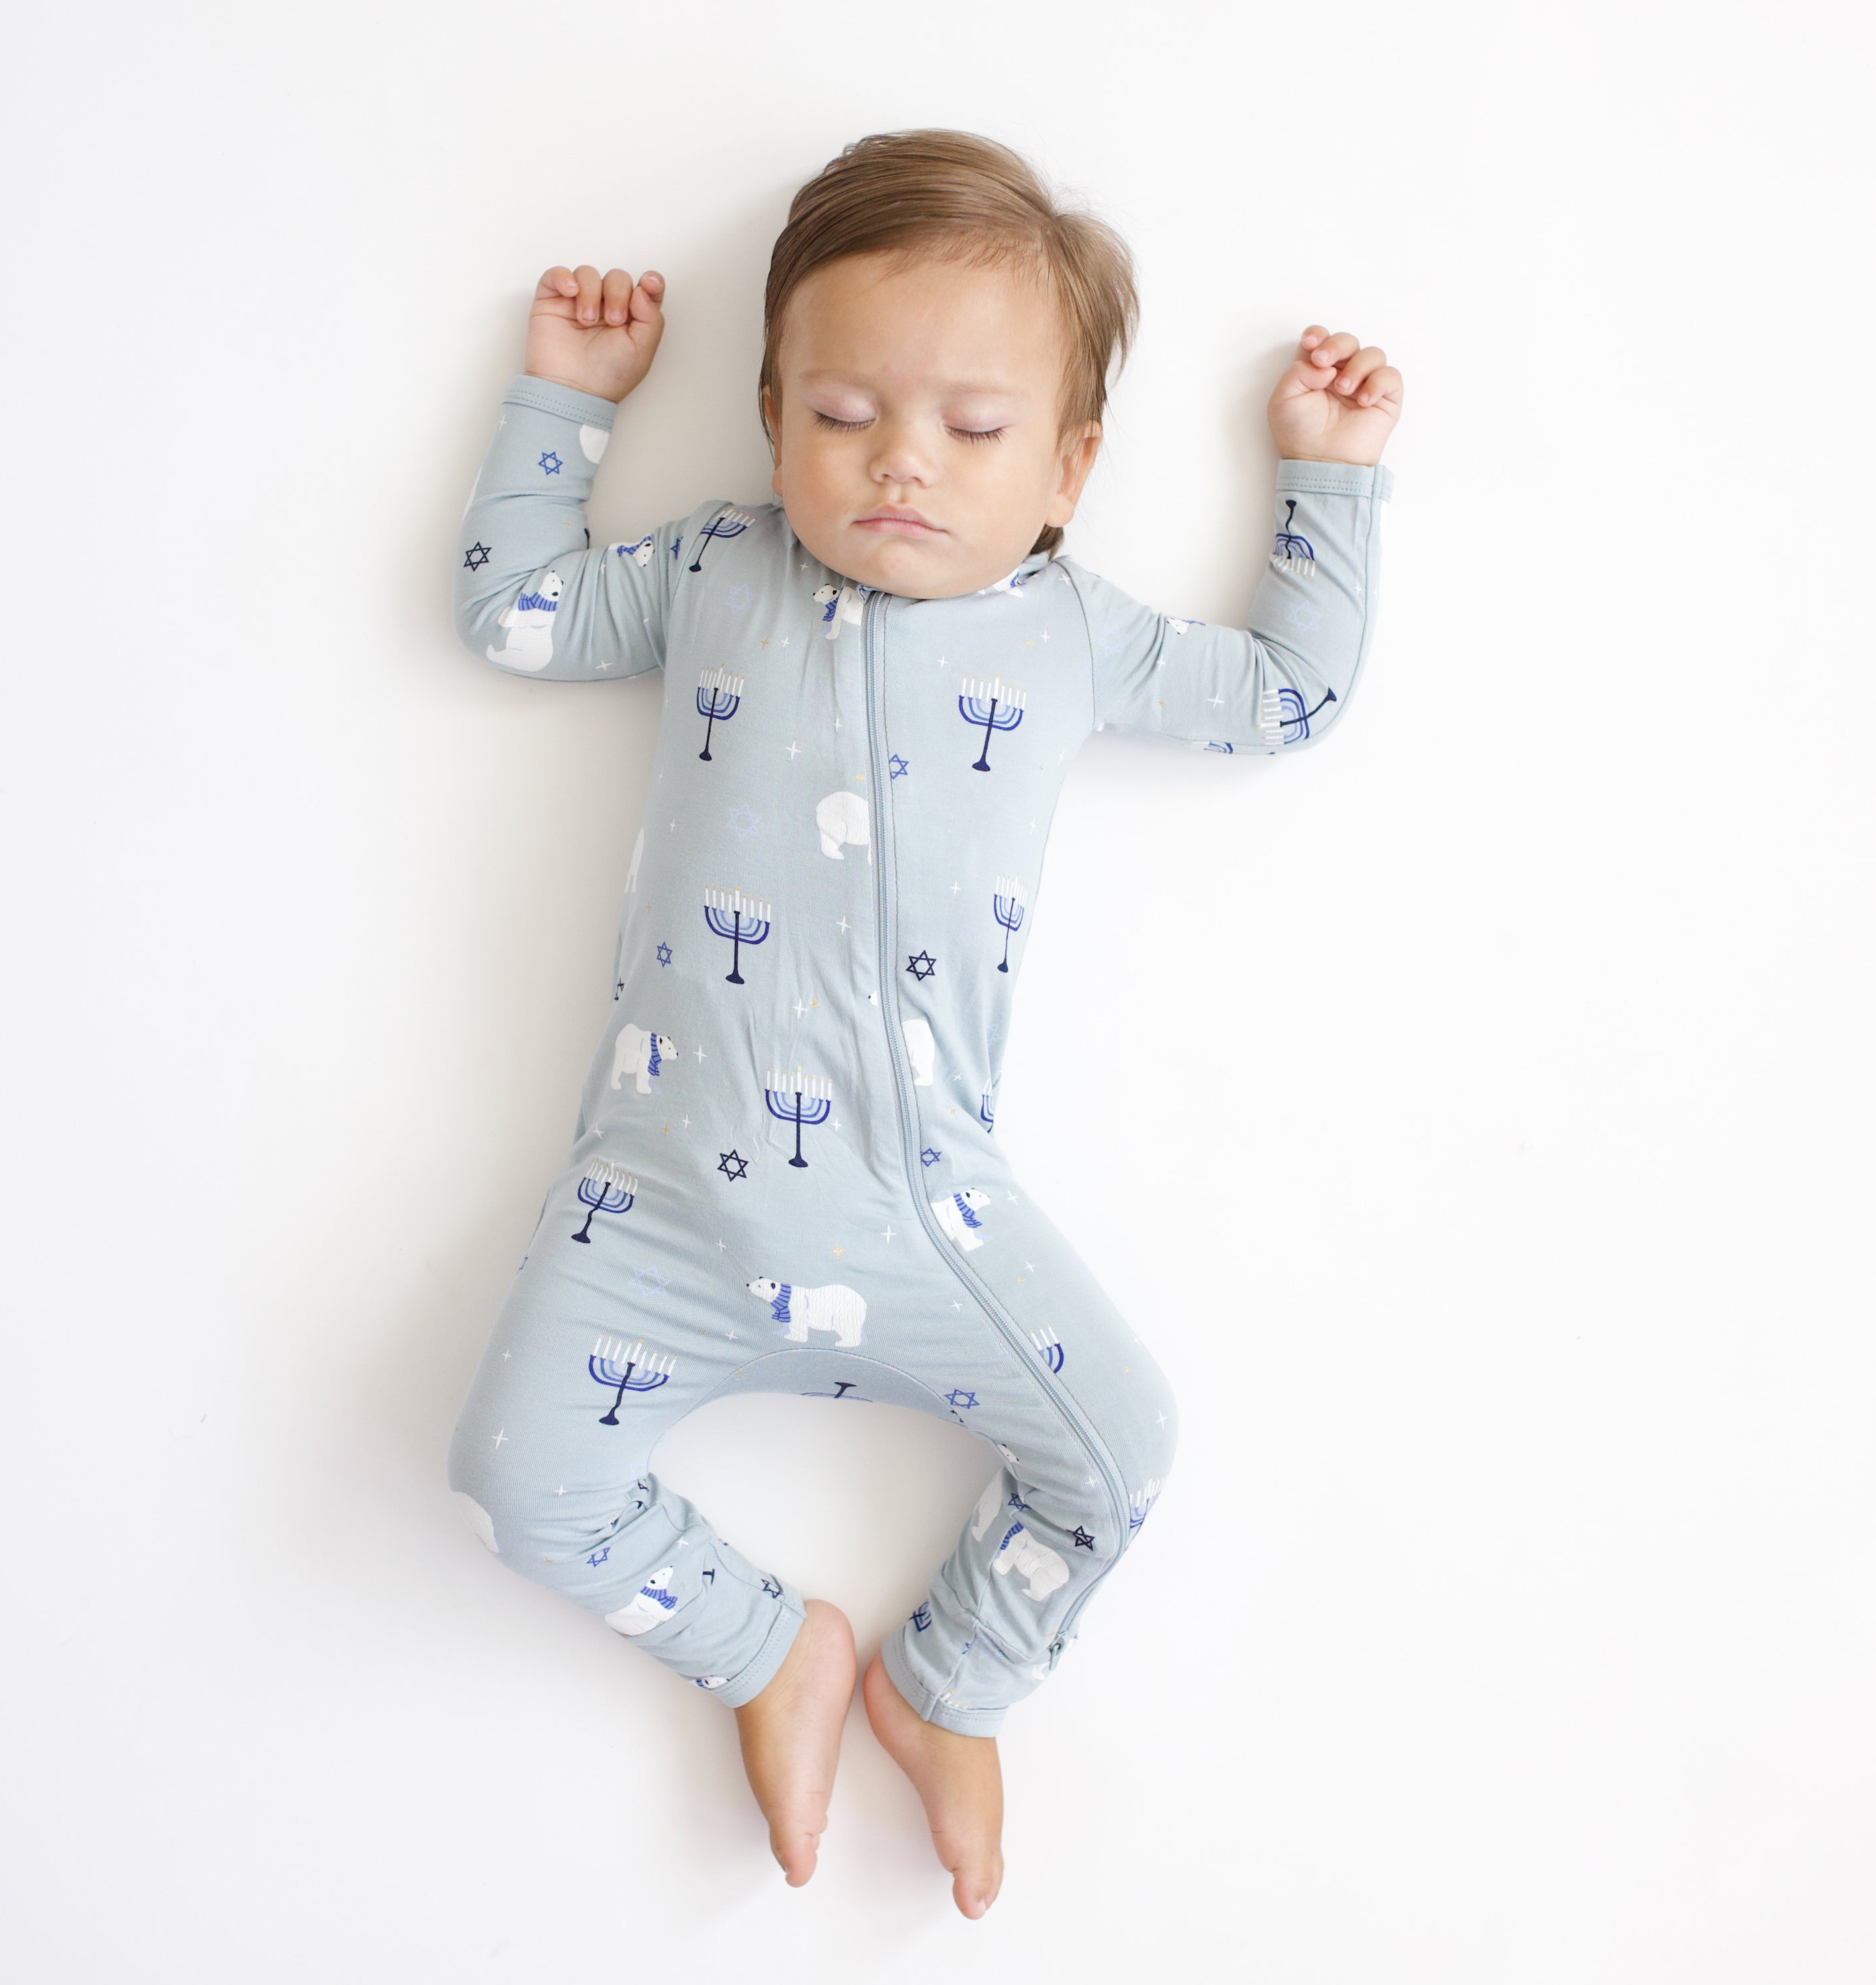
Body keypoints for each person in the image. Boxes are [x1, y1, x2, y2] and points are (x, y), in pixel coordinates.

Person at [446, 127, 1401, 1919]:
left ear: (1069, 466)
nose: (901, 460)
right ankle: (772, 1651)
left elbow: (1286, 695)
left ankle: (946, 1684)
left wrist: (1326, 480)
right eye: (841, 413)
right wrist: (565, 398)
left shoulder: (1074, 633)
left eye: (973, 430)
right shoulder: (714, 571)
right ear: (769, 417)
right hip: (648, 1207)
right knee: (513, 1478)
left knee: (1122, 1449)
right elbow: (514, 611)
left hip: (918, 1214)